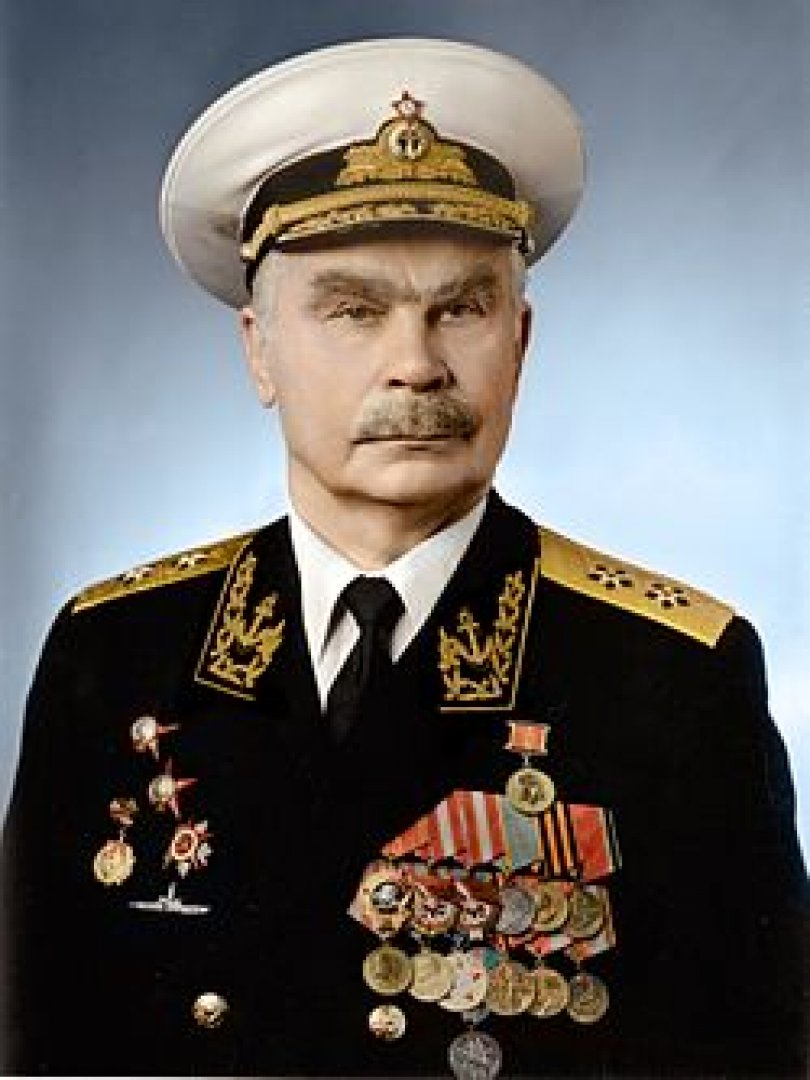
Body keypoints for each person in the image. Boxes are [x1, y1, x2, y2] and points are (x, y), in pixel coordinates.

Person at [2, 38, 806, 1079]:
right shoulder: (113, 653)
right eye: (354, 310)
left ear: (520, 342)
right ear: (257, 348)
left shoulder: (674, 676)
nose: (417, 364)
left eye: (461, 308)